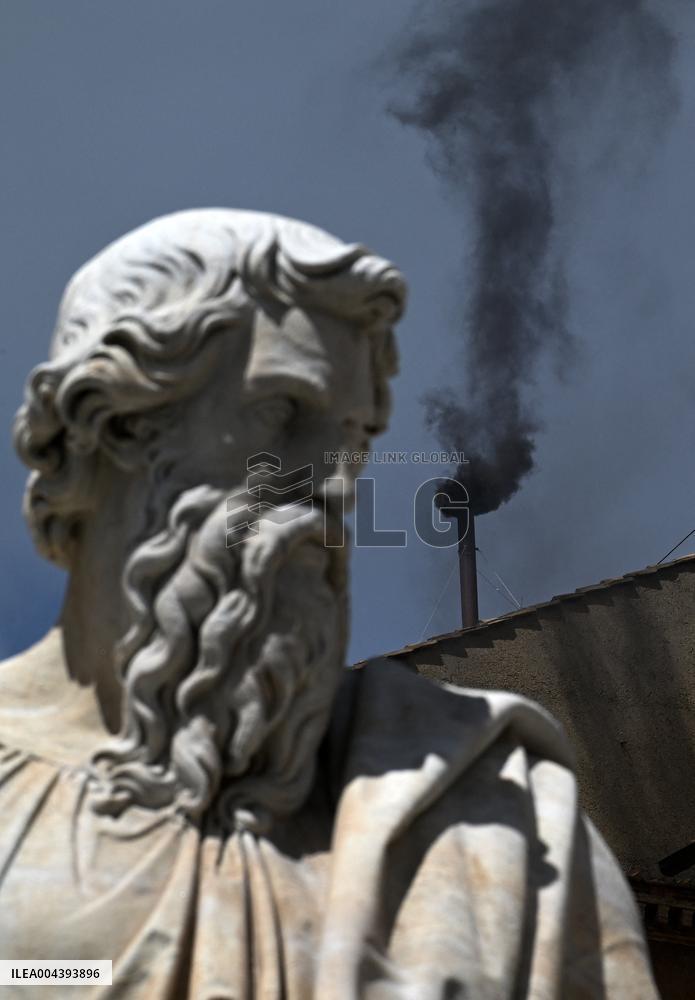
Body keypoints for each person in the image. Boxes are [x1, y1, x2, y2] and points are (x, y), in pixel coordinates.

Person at [0, 209, 658, 998]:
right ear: (114, 425)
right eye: (282, 412)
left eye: (352, 436)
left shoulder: (501, 824)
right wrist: (63, 972)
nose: (330, 478)